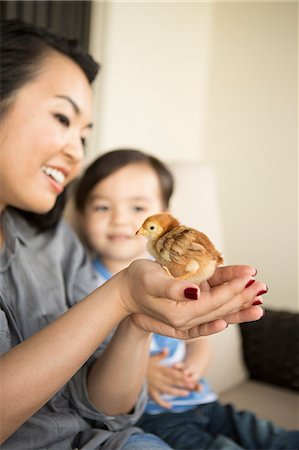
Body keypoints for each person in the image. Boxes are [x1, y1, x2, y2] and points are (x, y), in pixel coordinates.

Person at [0, 19, 267, 450]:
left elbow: (106, 410)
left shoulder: (55, 245)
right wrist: (120, 296)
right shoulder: (89, 261)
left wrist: (139, 321)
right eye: (62, 117)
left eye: (84, 134)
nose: (75, 151)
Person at [75, 148, 299, 450]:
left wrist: (191, 371)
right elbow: (89, 358)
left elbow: (198, 341)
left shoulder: (175, 272)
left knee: (271, 437)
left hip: (203, 401)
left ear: (165, 216)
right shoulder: (86, 283)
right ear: (81, 213)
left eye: (138, 208)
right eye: (102, 208)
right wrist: (144, 373)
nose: (120, 220)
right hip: (156, 413)